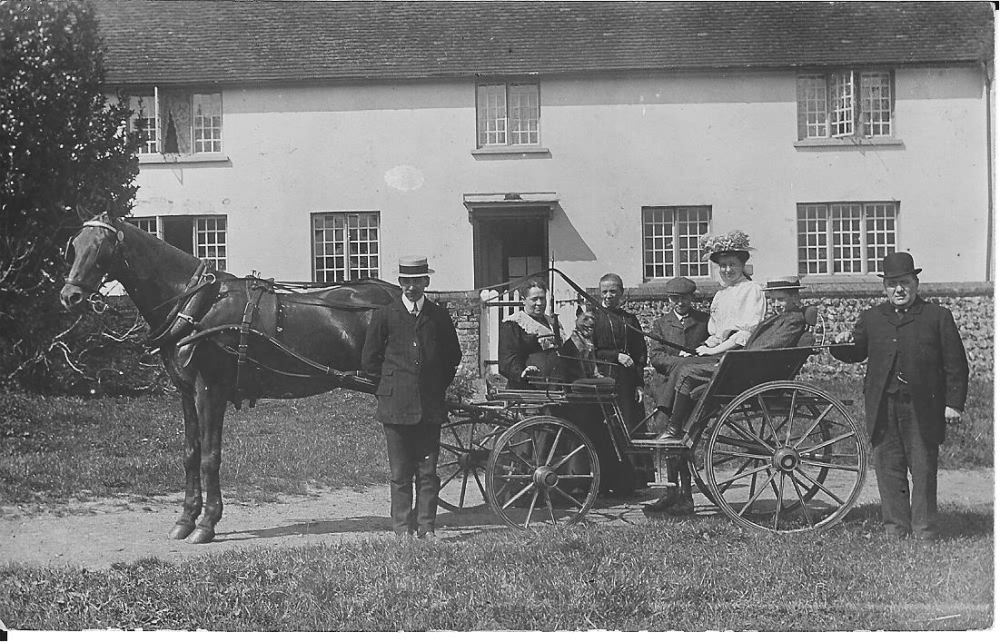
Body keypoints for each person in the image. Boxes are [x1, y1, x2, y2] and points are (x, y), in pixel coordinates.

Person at [830, 252, 969, 541]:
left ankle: (925, 532)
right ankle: (896, 530)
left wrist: (953, 404)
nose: (899, 289)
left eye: (904, 282)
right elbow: (855, 351)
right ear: (885, 287)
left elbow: (956, 365)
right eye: (892, 284)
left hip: (923, 407)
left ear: (916, 284)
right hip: (883, 406)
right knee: (888, 469)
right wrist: (839, 343)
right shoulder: (872, 317)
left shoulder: (937, 316)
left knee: (923, 470)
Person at [645, 274, 807, 516]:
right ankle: (674, 448)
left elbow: (766, 349)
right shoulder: (781, 318)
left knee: (688, 372)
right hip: (739, 364)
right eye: (774, 299)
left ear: (795, 297)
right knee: (687, 374)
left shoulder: (792, 320)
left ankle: (674, 430)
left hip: (746, 366)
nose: (777, 304)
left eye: (782, 299)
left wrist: (729, 354)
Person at [361, 255, 462, 540]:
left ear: (426, 282)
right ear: (400, 283)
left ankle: (427, 528)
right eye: (406, 282)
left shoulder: (438, 316)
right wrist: (389, 389)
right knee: (400, 473)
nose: (411, 288)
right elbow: (369, 362)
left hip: (429, 406)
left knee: (428, 472)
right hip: (395, 408)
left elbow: (452, 357)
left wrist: (436, 386)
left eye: (417, 282)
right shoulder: (386, 315)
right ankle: (403, 530)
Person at [655, 230, 767, 441]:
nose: (727, 270)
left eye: (732, 264)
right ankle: (670, 416)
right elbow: (717, 333)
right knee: (682, 363)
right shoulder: (722, 294)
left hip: (737, 356)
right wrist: (702, 347)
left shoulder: (751, 290)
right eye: (723, 266)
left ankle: (674, 427)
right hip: (722, 353)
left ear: (742, 265)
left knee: (687, 371)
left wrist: (712, 350)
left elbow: (743, 334)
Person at [592, 273, 648, 495]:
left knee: (627, 427)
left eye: (613, 291)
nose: (608, 296)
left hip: (626, 382)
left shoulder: (630, 320)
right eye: (604, 291)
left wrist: (639, 384)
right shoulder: (593, 318)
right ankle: (602, 483)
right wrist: (616, 356)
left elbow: (640, 353)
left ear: (621, 293)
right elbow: (591, 350)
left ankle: (629, 483)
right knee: (603, 429)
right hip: (602, 379)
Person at [648, 276, 710, 432]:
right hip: (666, 385)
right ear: (669, 299)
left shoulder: (704, 321)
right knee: (662, 428)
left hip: (692, 385)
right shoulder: (660, 324)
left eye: (684, 298)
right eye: (675, 299)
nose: (680, 303)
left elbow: (711, 346)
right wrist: (680, 362)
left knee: (690, 431)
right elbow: (656, 356)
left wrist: (695, 356)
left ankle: (687, 456)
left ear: (692, 298)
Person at [498, 278, 564, 389]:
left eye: (542, 299)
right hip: (527, 387)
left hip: (554, 385)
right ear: (524, 300)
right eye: (534, 299)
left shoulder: (552, 323)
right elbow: (507, 359)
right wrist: (522, 372)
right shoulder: (513, 324)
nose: (540, 303)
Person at [560, 302, 601, 382]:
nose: (591, 322)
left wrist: (596, 373)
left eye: (592, 318)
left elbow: (592, 358)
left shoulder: (589, 338)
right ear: (577, 318)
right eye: (585, 319)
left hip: (586, 376)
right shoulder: (574, 340)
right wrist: (583, 378)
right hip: (573, 377)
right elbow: (577, 363)